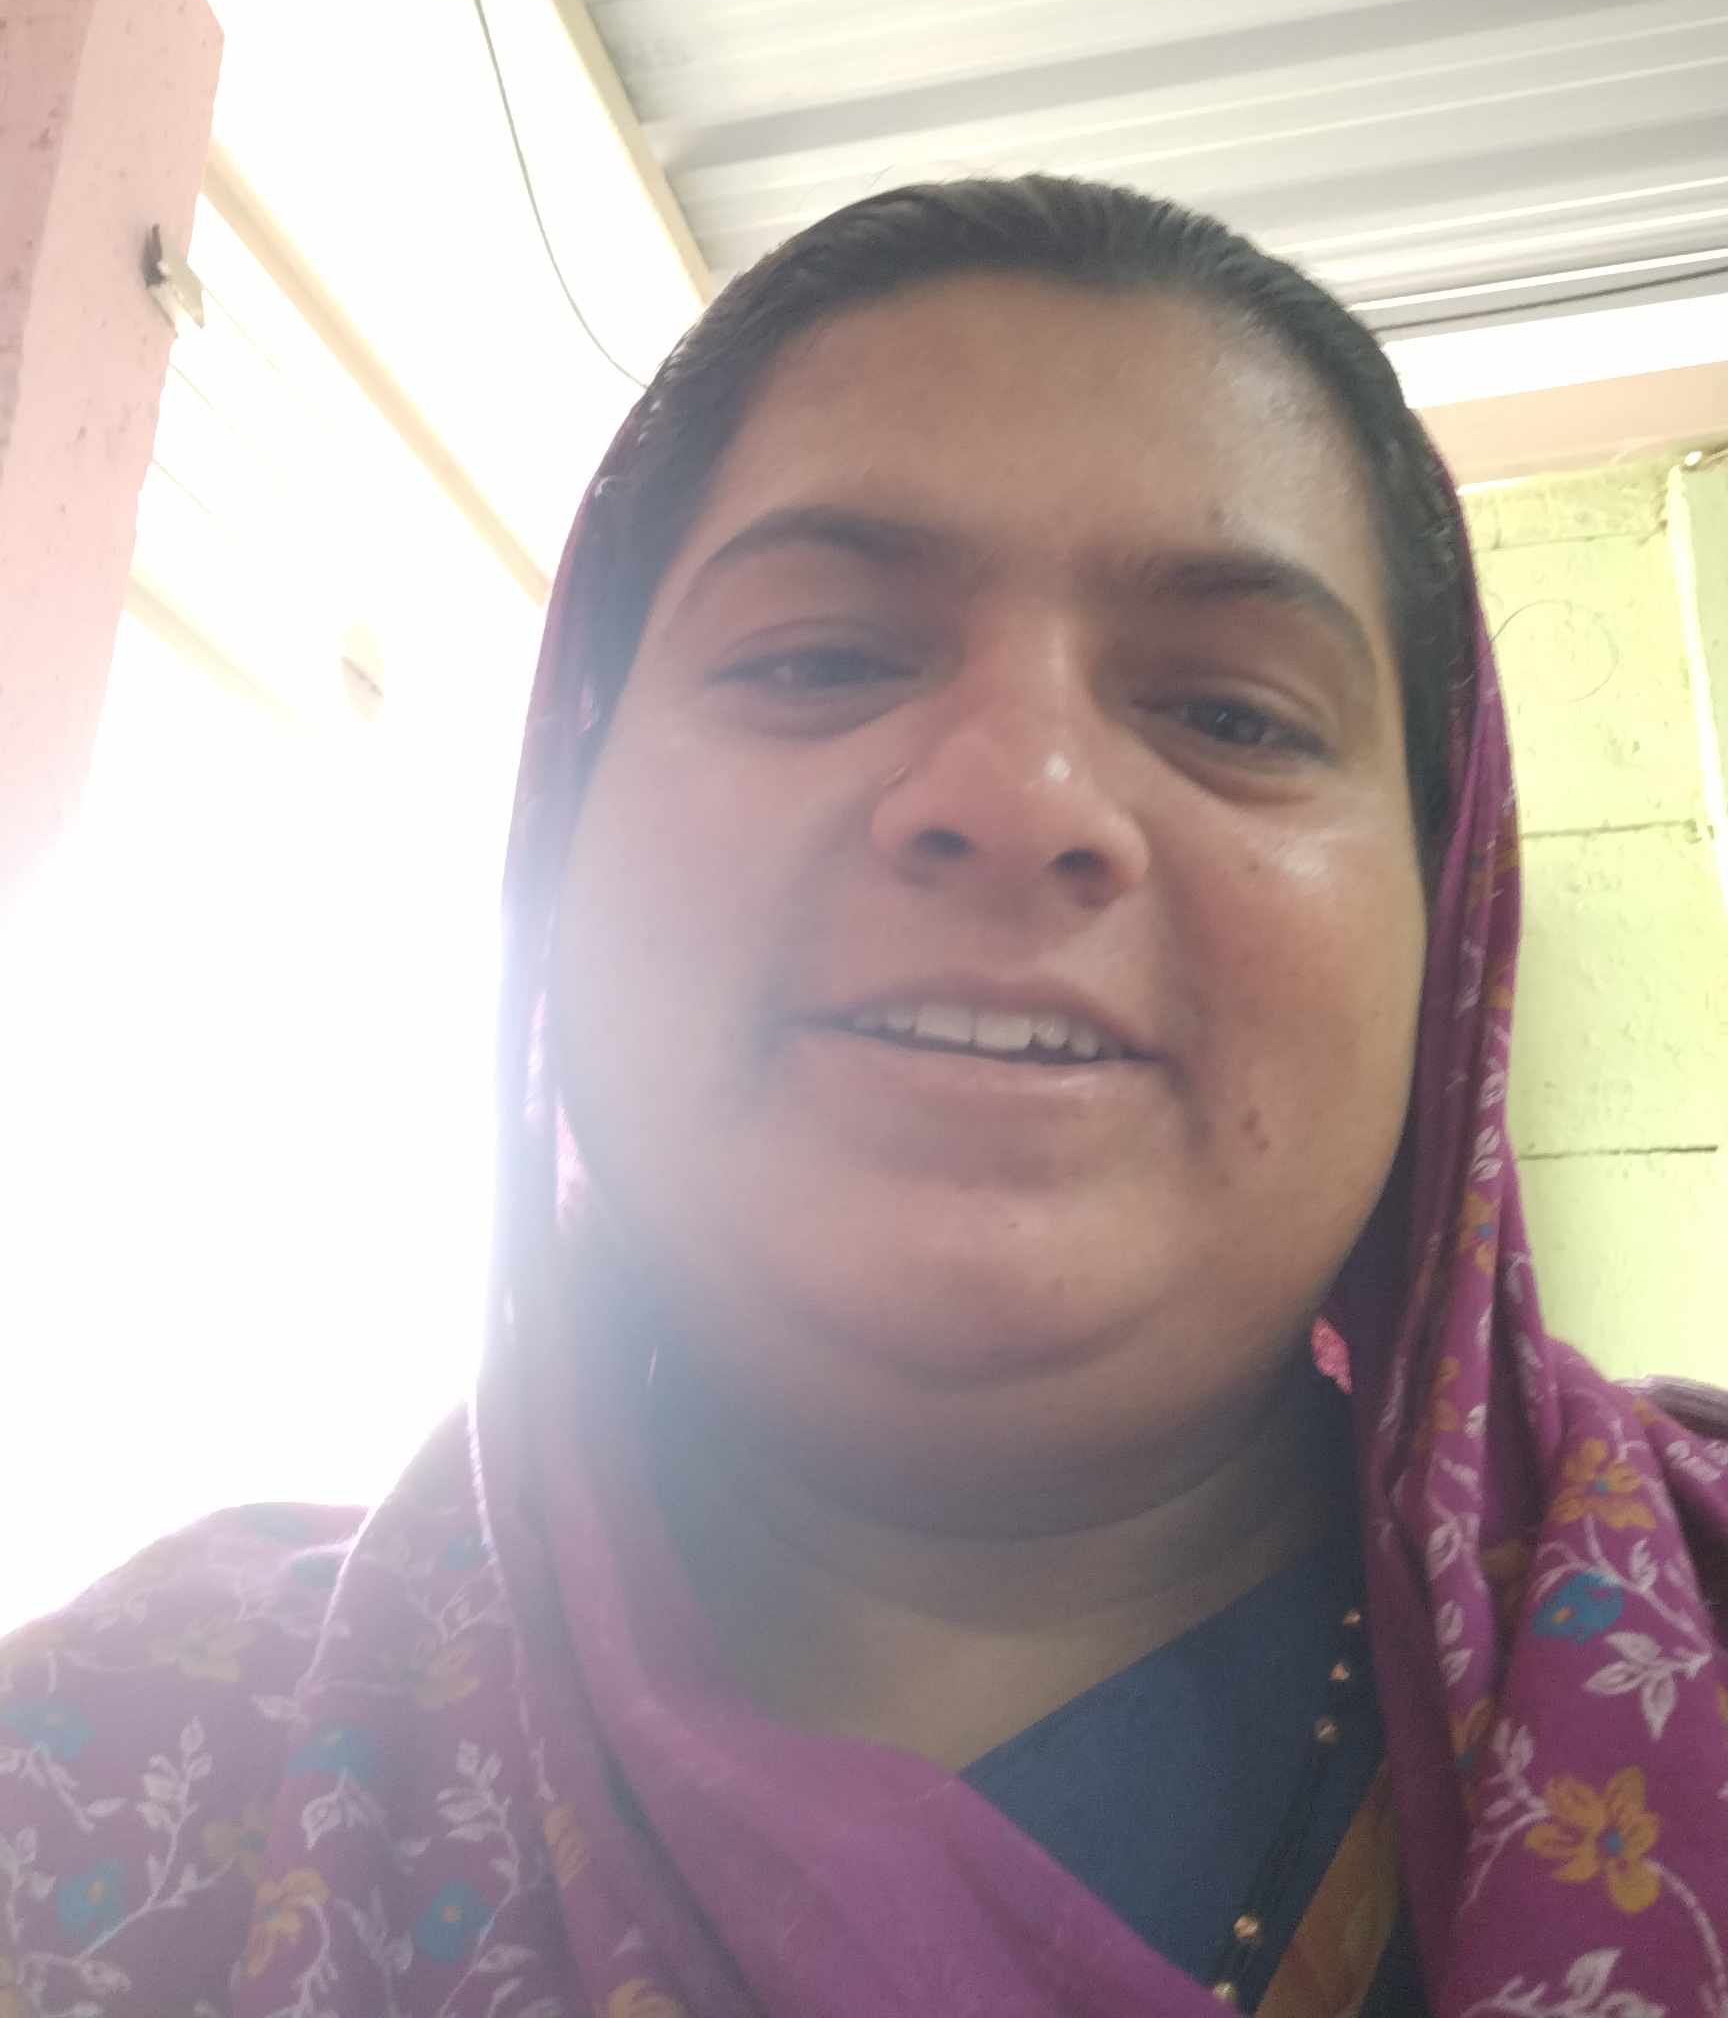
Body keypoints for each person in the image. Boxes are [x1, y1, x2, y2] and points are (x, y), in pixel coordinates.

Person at [3, 178, 1725, 2018]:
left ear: (1446, 919)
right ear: (564, 829)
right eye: (818, 658)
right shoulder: (110, 1763)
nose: (1021, 795)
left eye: (1233, 713)